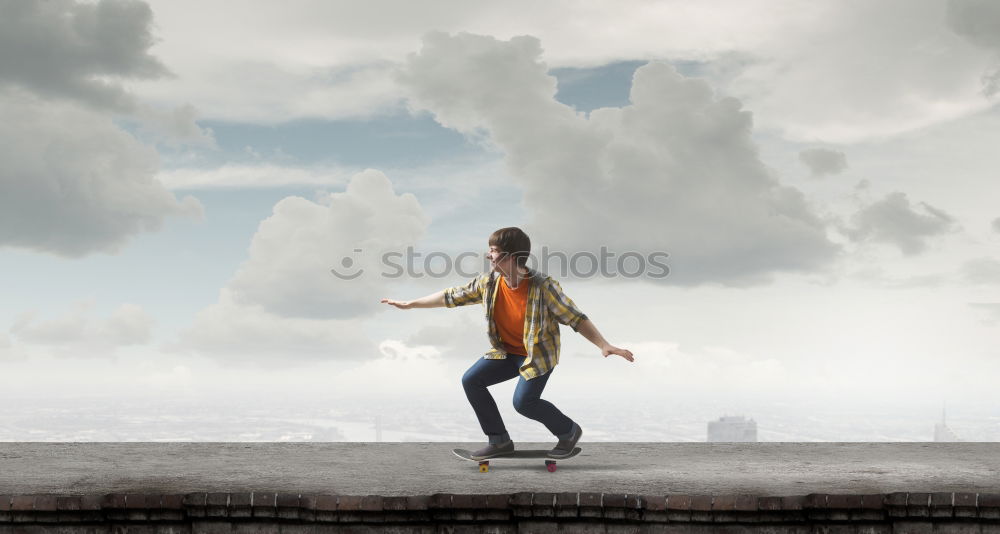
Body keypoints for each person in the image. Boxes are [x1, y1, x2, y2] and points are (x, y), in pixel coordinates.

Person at [381, 227, 634, 459]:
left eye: (493, 251)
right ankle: (499, 441)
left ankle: (568, 431)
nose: (488, 256)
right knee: (471, 380)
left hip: (537, 356)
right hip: (506, 353)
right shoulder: (489, 283)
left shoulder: (543, 287)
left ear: (511, 256)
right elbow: (451, 296)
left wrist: (604, 344)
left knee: (524, 403)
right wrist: (411, 304)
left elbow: (575, 318)